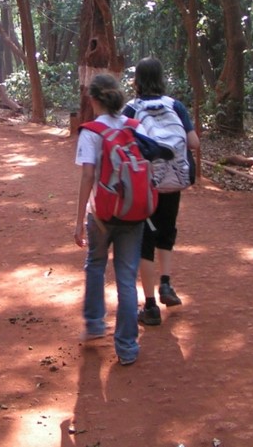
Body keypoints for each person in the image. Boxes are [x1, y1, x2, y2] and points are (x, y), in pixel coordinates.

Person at [74, 72, 163, 366]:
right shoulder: (134, 126)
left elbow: (88, 176)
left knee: (96, 265)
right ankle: (127, 347)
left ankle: (95, 323)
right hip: (134, 211)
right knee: (126, 278)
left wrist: (78, 220)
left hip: (101, 212)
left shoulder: (91, 132)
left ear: (93, 99)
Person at [123, 57, 199, 326]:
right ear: (162, 78)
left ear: (137, 80)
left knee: (145, 241)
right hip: (173, 181)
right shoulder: (175, 106)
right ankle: (166, 284)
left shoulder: (131, 109)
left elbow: (122, 146)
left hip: (146, 185)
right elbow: (194, 142)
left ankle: (151, 307)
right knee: (167, 234)